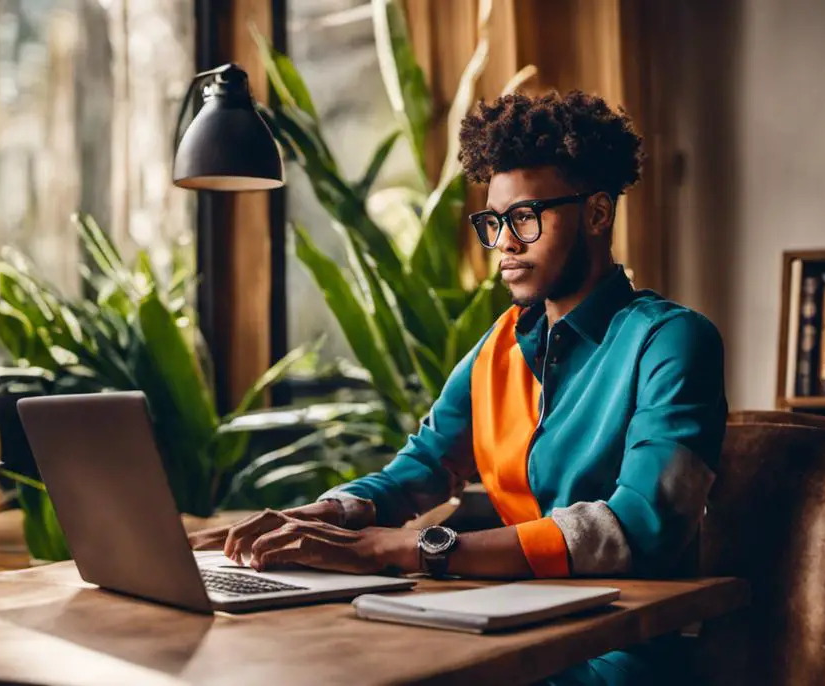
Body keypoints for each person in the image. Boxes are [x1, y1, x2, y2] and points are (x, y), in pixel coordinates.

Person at [190, 89, 727, 685]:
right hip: (507, 626)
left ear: (598, 214)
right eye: (493, 221)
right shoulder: (498, 350)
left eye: (526, 217)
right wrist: (321, 515)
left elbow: (641, 527)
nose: (504, 243)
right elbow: (419, 468)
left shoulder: (673, 341)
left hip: (623, 650)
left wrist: (408, 549)